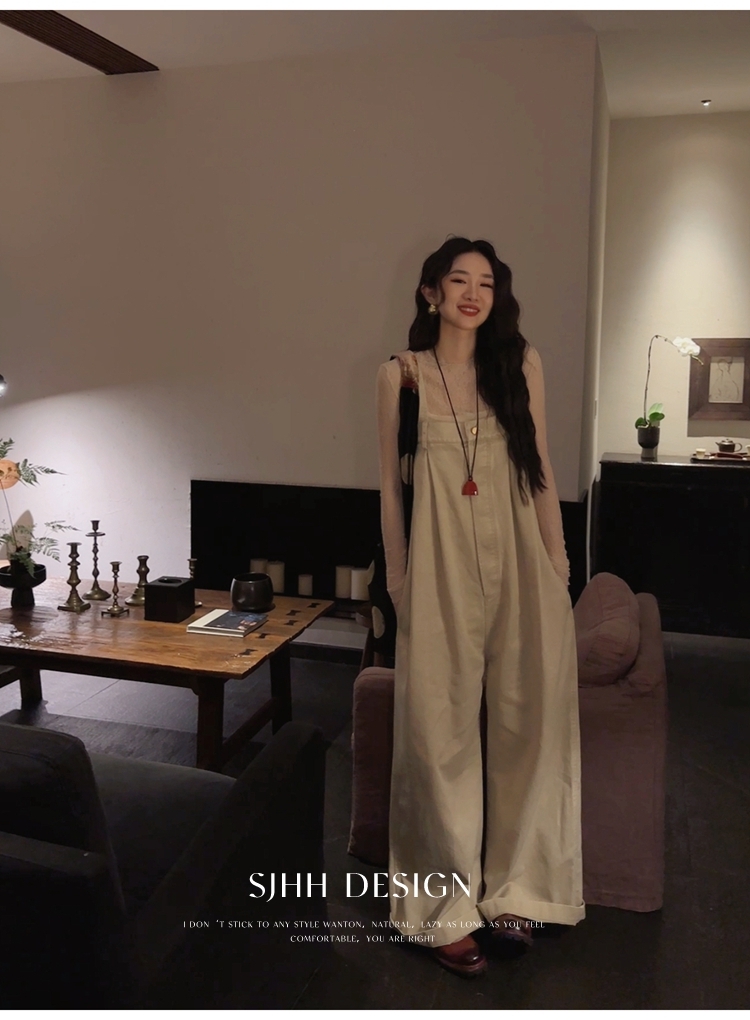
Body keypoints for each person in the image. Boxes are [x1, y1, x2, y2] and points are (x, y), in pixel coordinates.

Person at [375, 237, 584, 978]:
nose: (472, 293)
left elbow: (542, 466)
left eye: (486, 283)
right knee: (437, 734)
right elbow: (390, 487)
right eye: (458, 280)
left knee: (532, 725)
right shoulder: (401, 376)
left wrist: (558, 567)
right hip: (438, 569)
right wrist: (400, 583)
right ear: (430, 292)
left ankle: (519, 891)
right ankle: (440, 911)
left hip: (524, 561)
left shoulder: (519, 363)